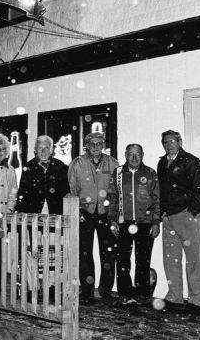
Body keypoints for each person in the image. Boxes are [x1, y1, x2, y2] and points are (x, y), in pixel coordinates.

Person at [157, 130, 200, 314]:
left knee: (193, 259)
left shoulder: (190, 161)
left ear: (180, 142)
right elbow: (162, 189)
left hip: (186, 216)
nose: (169, 144)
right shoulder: (162, 162)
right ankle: (175, 297)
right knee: (171, 259)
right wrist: (162, 212)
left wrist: (193, 211)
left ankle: (195, 301)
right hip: (168, 218)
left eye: (172, 141)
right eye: (166, 142)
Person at [67, 131, 119, 305]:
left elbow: (117, 193)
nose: (96, 147)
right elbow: (71, 191)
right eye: (92, 144)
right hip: (85, 214)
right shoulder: (77, 163)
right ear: (86, 146)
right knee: (85, 254)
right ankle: (87, 291)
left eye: (99, 143)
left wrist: (113, 216)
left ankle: (106, 291)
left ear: (103, 145)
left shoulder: (112, 163)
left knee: (108, 255)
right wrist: (77, 211)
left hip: (106, 214)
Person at [109, 144, 160, 305]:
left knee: (143, 260)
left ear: (143, 155)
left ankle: (142, 294)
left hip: (145, 223)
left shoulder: (150, 173)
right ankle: (124, 293)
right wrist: (112, 220)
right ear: (125, 155)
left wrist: (156, 222)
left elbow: (157, 199)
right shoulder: (117, 173)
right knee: (123, 260)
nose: (134, 157)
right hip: (123, 224)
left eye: (137, 154)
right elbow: (111, 199)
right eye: (130, 154)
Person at [16, 135, 70, 215]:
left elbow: (66, 192)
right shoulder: (28, 167)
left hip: (56, 213)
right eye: (40, 148)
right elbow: (22, 192)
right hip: (33, 213)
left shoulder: (60, 166)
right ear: (35, 150)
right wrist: (20, 211)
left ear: (51, 150)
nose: (43, 151)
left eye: (47, 148)